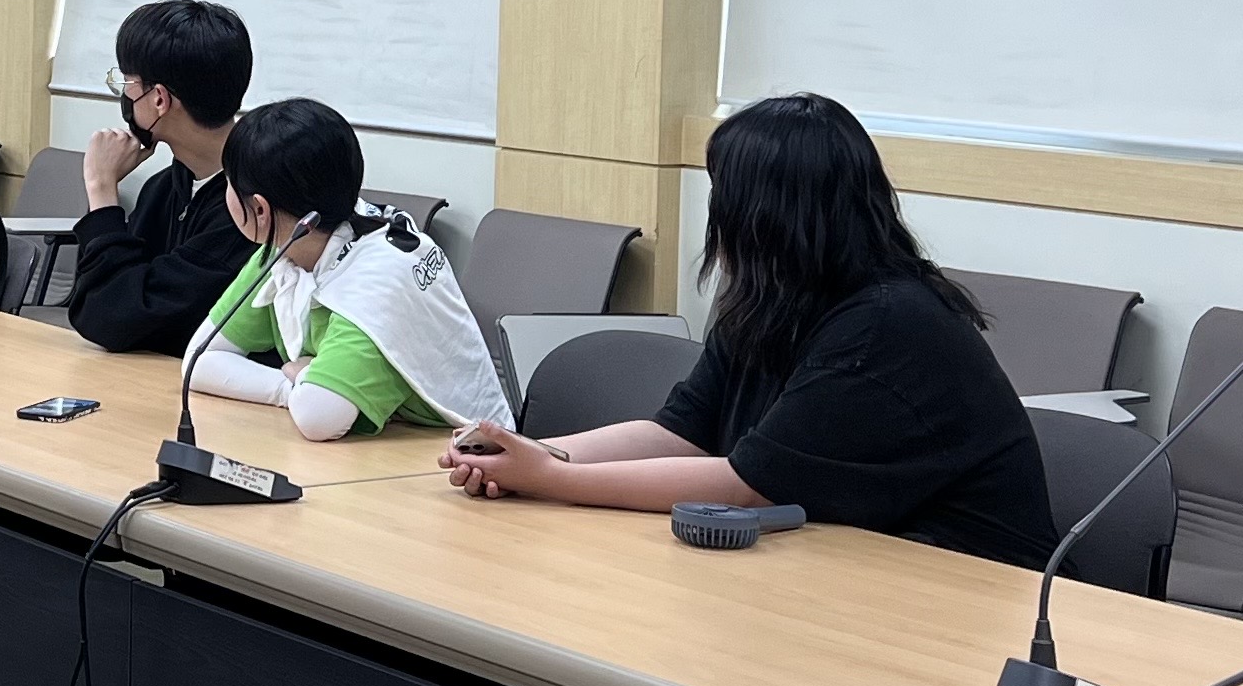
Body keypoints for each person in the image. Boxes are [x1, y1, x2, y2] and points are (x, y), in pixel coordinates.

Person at [441, 93, 1054, 567]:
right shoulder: (773, 300)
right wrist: (530, 454)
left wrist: (552, 479)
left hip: (962, 585)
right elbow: (679, 434)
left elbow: (748, 486)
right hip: (849, 567)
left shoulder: (887, 325)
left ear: (767, 214)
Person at [184, 98, 510, 440]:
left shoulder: (376, 280)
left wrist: (306, 383)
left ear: (260, 209)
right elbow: (200, 361)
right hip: (390, 446)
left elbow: (319, 417)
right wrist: (292, 384)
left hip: (464, 449)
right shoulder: (288, 249)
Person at [66, 0, 254, 353]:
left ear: (159, 100)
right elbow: (98, 301)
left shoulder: (248, 210)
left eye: (127, 82)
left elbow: (112, 319)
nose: (124, 93)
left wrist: (101, 188)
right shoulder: (166, 187)